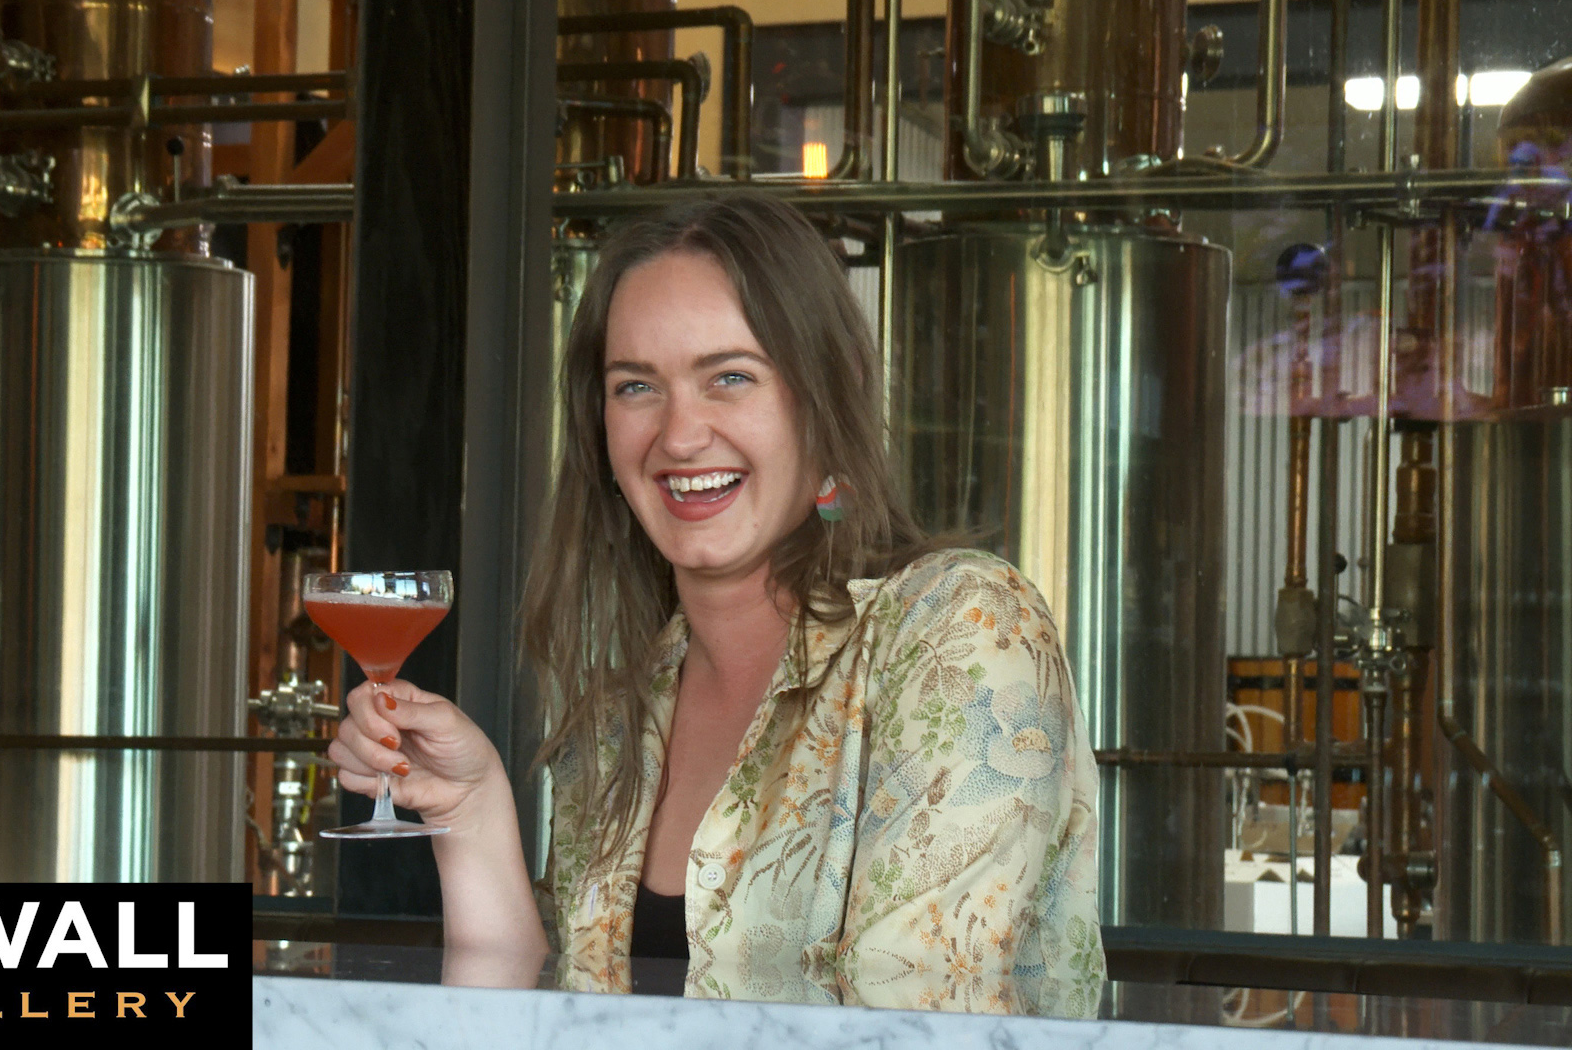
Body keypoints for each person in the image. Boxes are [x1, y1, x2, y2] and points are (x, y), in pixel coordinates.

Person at [326, 194, 1105, 1016]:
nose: (681, 434)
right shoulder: (624, 713)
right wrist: (474, 810)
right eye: (636, 387)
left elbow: (918, 1025)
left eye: (730, 377)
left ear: (822, 397)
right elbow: (547, 1021)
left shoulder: (959, 628)